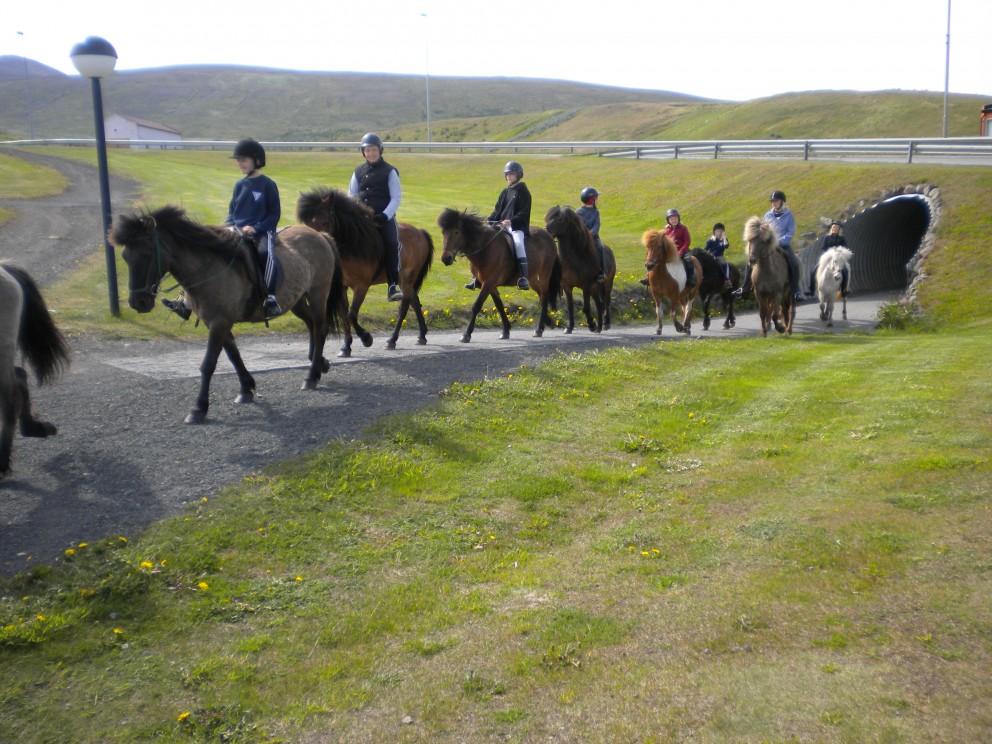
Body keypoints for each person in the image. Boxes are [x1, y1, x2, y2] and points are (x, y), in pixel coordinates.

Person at [162, 138, 283, 320]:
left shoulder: (267, 184)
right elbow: (232, 212)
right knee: (208, 250)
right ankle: (186, 303)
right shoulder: (239, 185)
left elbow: (274, 215)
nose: (239, 163)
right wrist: (227, 226)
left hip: (261, 232)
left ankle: (270, 297)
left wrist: (255, 228)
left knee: (265, 253)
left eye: (243, 160)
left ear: (257, 160)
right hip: (236, 229)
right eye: (238, 160)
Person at [349, 132, 404, 302]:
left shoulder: (390, 171)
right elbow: (351, 195)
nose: (371, 153)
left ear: (380, 150)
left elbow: (396, 197)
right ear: (363, 152)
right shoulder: (358, 171)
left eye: (374, 150)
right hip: (362, 219)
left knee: (391, 243)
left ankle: (392, 285)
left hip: (383, 218)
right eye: (367, 150)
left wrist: (385, 216)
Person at [470, 160, 531, 290]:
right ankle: (477, 277)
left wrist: (511, 221)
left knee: (518, 243)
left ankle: (524, 277)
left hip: (517, 226)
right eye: (507, 174)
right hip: (501, 225)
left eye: (511, 173)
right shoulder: (505, 192)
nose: (509, 176)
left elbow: (524, 212)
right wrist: (488, 220)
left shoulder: (524, 191)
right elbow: (497, 211)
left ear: (518, 174)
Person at [733, 190, 804, 301]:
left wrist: (778, 241)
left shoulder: (789, 215)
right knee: (751, 260)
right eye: (772, 201)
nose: (774, 203)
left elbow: (790, 233)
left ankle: (796, 290)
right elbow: (763, 231)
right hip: (769, 245)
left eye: (776, 201)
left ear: (782, 202)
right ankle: (745, 287)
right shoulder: (768, 215)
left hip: (783, 245)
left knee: (794, 263)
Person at [639, 208, 694, 288]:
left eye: (675, 218)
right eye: (671, 219)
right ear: (668, 220)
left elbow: (687, 242)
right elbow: (660, 238)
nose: (674, 220)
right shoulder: (666, 229)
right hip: (670, 252)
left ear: (678, 218)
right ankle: (648, 277)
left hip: (682, 251)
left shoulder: (683, 228)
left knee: (688, 260)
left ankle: (691, 278)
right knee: (656, 259)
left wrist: (681, 252)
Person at [576, 186, 608, 281]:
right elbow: (578, 225)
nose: (597, 200)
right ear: (592, 200)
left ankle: (601, 271)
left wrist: (592, 232)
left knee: (600, 247)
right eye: (596, 198)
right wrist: (585, 233)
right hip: (582, 237)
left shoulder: (595, 212)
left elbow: (597, 224)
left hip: (593, 237)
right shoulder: (579, 212)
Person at [811, 220, 850, 297]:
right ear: (831, 228)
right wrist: (828, 252)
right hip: (829, 257)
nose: (834, 229)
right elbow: (824, 247)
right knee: (815, 269)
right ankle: (811, 289)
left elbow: (845, 248)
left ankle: (844, 289)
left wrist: (839, 251)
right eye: (833, 227)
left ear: (839, 229)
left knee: (845, 270)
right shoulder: (827, 237)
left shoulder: (841, 238)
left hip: (838, 258)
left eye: (836, 228)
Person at [704, 222, 734, 290]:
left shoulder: (724, 240)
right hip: (711, 255)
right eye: (718, 231)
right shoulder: (711, 240)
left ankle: (727, 279)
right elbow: (705, 249)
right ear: (714, 232)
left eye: (721, 231)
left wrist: (724, 237)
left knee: (725, 265)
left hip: (719, 256)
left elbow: (726, 246)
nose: (719, 233)